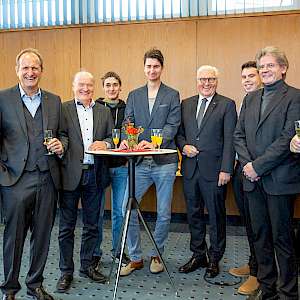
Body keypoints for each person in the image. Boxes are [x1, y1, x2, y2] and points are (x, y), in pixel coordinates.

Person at [0, 48, 67, 300]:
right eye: (25, 68)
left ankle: (35, 284)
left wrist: (62, 145)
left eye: (35, 68)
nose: (30, 72)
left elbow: (63, 135)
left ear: (42, 71)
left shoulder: (54, 100)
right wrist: (3, 175)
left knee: (42, 236)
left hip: (47, 179)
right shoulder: (2, 98)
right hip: (14, 180)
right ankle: (9, 288)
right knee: (13, 238)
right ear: (17, 70)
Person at [234, 46, 300, 300]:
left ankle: (288, 292)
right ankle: (268, 288)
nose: (265, 70)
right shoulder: (250, 98)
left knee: (282, 240)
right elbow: (238, 134)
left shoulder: (294, 97)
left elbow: (287, 139)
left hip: (279, 180)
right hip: (253, 181)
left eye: (270, 66)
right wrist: (248, 166)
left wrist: (257, 166)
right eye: (262, 67)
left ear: (283, 68)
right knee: (260, 237)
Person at [119, 48, 181, 276]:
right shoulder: (134, 95)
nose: (152, 70)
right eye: (148, 66)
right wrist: (129, 140)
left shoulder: (172, 94)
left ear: (161, 68)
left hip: (164, 162)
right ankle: (135, 257)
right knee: (129, 208)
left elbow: (172, 125)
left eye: (156, 66)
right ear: (143, 68)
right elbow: (128, 123)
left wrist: (155, 142)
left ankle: (157, 254)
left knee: (163, 212)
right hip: (139, 163)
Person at [176, 65, 237, 278]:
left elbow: (230, 140)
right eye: (202, 79)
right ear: (197, 81)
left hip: (215, 171)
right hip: (191, 170)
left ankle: (215, 257)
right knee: (193, 214)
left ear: (216, 81)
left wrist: (226, 169)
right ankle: (198, 254)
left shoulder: (227, 105)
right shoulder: (186, 104)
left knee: (216, 216)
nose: (206, 83)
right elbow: (179, 134)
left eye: (211, 79)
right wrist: (183, 146)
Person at [56, 71, 113, 293]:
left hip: (95, 174)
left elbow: (111, 136)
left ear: (94, 88)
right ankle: (65, 271)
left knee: (92, 225)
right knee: (66, 227)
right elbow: (60, 135)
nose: (86, 89)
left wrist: (106, 145)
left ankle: (87, 266)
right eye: (81, 85)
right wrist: (61, 144)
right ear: (73, 86)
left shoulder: (104, 111)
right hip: (70, 175)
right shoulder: (63, 109)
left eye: (89, 85)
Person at [229, 61, 261, 295]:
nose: (247, 80)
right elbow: (238, 136)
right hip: (243, 171)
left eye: (252, 75)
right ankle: (253, 263)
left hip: (259, 173)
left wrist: (251, 164)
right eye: (244, 77)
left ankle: (258, 274)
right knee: (249, 223)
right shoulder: (247, 101)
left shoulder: (268, 101)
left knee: (260, 226)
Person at [93, 71, 130, 268]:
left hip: (121, 167)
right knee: (97, 211)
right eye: (108, 85)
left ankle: (118, 251)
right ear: (103, 88)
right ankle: (95, 253)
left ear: (120, 87)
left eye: (115, 84)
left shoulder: (127, 108)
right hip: (100, 166)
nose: (112, 88)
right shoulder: (96, 108)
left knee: (119, 212)